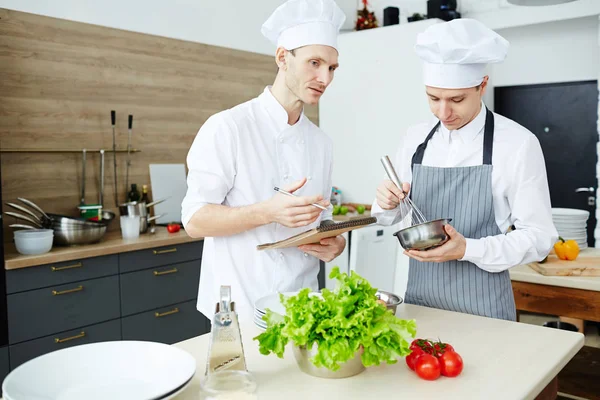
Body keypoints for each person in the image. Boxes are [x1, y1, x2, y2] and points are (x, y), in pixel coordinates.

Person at [371, 19, 558, 321]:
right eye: (433, 98)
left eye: (456, 99)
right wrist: (386, 201)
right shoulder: (415, 138)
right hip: (420, 305)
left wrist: (467, 249)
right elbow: (388, 217)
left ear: (482, 85)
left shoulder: (518, 143)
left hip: (484, 307)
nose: (443, 113)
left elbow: (539, 238)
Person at [182, 0, 347, 321]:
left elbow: (316, 221)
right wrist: (267, 211)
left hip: (303, 305)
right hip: (240, 306)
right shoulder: (228, 127)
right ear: (282, 57)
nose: (324, 78)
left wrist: (333, 242)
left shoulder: (322, 143)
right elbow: (194, 221)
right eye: (314, 63)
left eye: (331, 68)